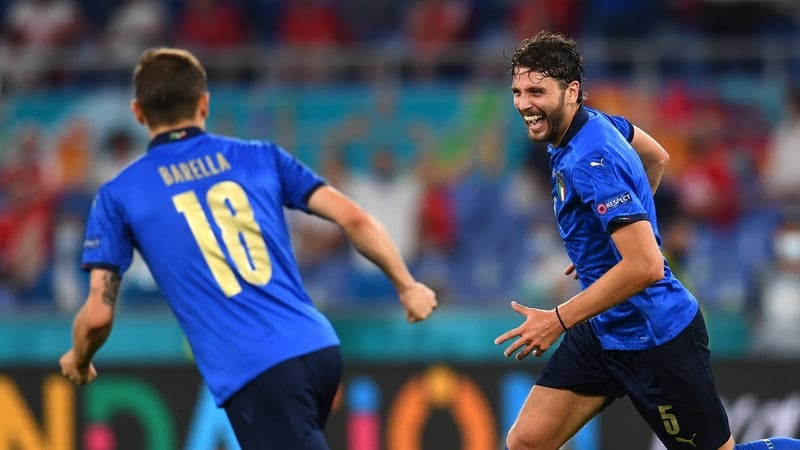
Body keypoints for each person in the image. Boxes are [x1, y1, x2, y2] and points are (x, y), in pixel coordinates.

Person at [58, 47, 438, 450]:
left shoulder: (118, 195)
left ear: (138, 113)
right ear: (204, 103)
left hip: (257, 369)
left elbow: (98, 316)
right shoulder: (260, 156)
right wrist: (406, 285)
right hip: (317, 346)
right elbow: (355, 218)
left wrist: (79, 359)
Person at [493, 31, 800, 450]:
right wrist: (611, 239)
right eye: (518, 91)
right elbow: (657, 156)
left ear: (571, 91)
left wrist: (558, 319)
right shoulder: (589, 125)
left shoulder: (591, 160)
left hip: (656, 337)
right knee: (527, 441)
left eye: (536, 91)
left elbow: (646, 265)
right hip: (603, 330)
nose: (524, 103)